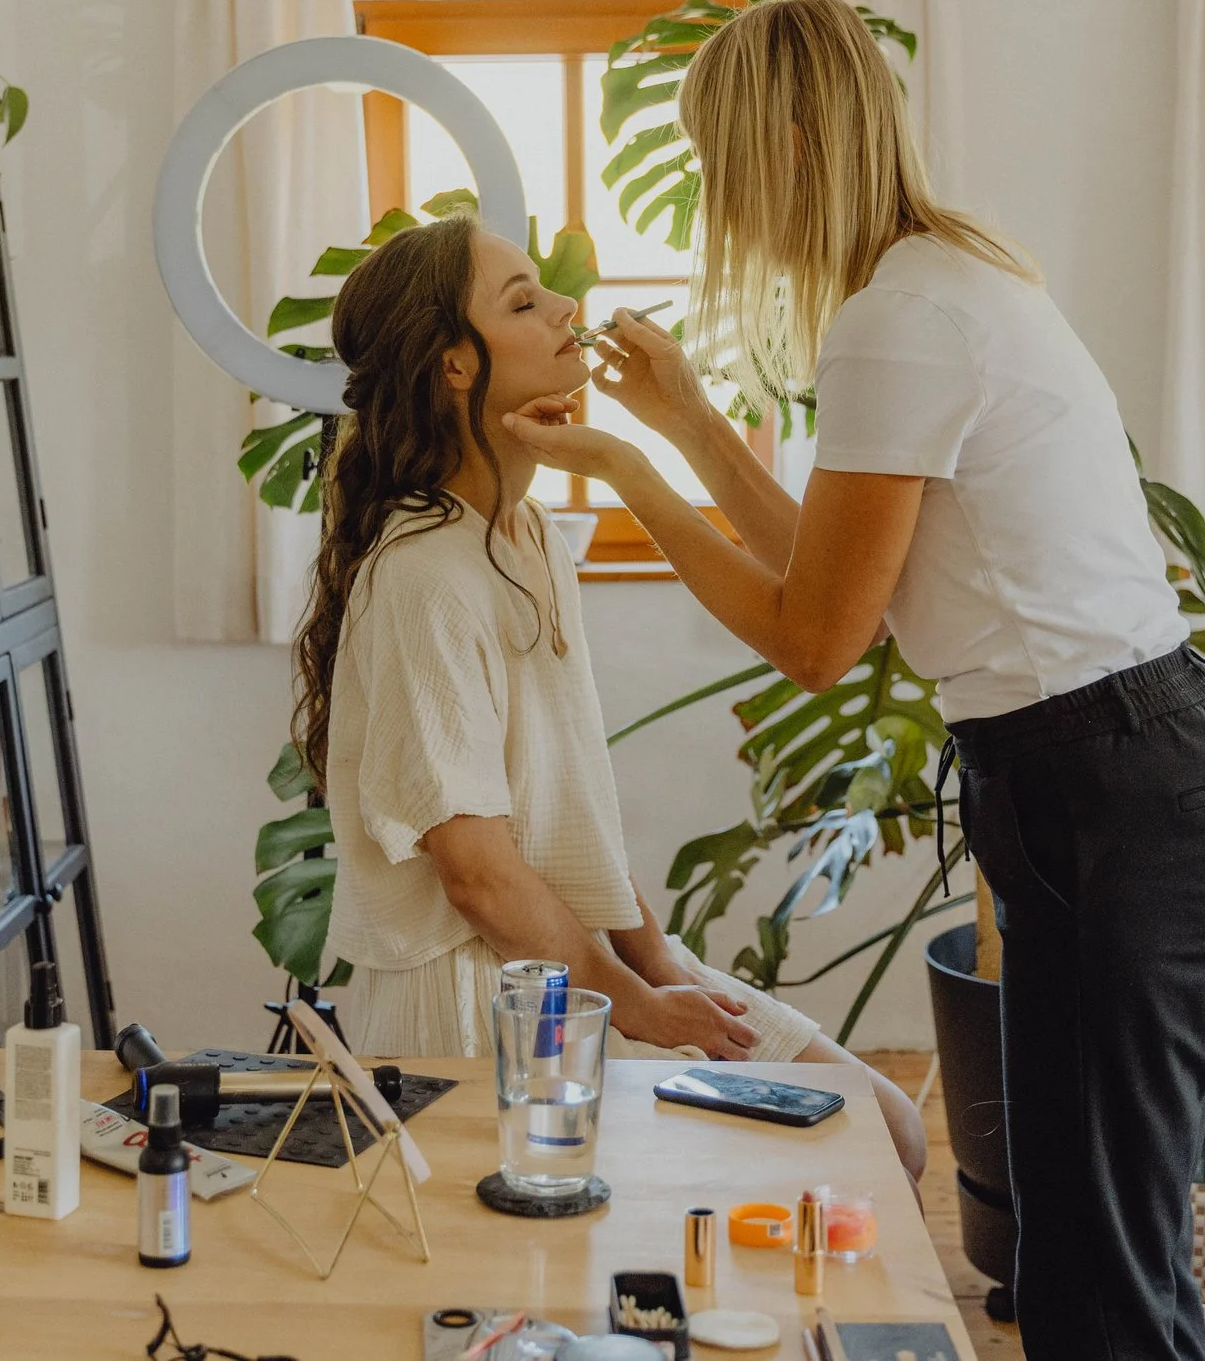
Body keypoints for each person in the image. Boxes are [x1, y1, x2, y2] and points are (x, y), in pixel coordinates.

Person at [504, 0, 1205, 1360]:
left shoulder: (900, 318)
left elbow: (816, 640)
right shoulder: (940, 282)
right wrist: (685, 418)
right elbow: (828, 562)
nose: (714, 198)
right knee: (1085, 1246)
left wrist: (630, 475)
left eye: (721, 159)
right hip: (1100, 777)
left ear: (793, 146)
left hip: (1117, 787)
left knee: (1102, 1272)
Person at [290, 209, 927, 1183]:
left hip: (572, 967)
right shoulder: (422, 576)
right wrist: (632, 999)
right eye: (521, 299)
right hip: (482, 1010)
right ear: (454, 366)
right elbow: (478, 875)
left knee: (888, 1126)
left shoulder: (528, 534)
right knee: (868, 1146)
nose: (565, 307)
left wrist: (660, 964)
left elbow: (565, 820)